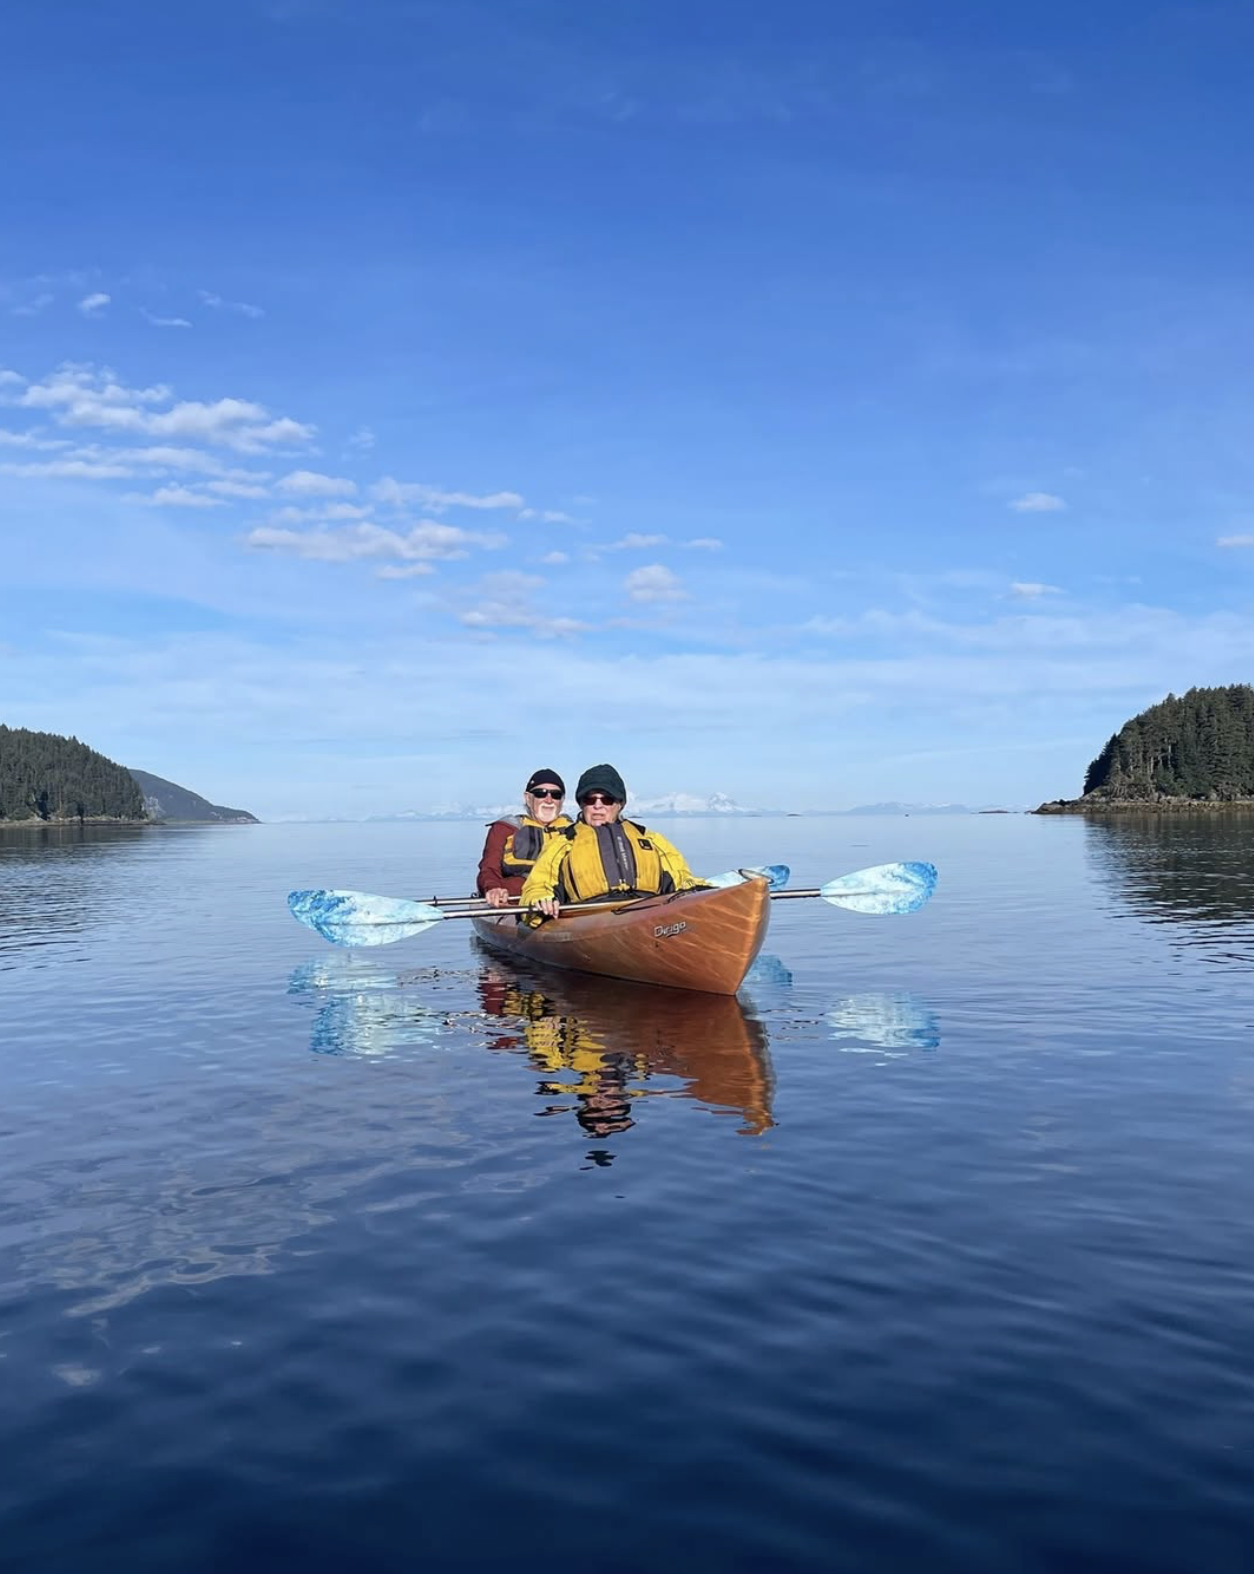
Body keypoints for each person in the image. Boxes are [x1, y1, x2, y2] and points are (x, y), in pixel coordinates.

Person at [521, 763, 702, 918]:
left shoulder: (651, 839)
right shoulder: (563, 842)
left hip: (646, 909)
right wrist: (540, 899)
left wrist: (704, 893)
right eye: (590, 799)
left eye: (607, 799)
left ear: (619, 804)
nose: (598, 806)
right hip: (590, 915)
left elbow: (682, 879)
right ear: (582, 804)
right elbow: (538, 884)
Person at [476, 769, 572, 907]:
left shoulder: (573, 830)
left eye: (556, 795)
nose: (549, 800)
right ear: (528, 798)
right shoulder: (505, 828)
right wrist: (492, 888)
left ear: (562, 800)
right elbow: (489, 868)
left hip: (562, 897)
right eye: (541, 794)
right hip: (517, 898)